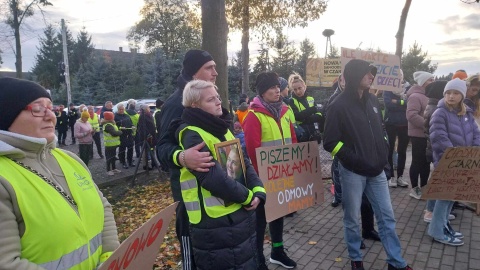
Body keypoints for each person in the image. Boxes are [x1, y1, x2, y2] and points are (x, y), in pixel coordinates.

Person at [0, 77, 120, 269]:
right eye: (38, 108)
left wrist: (112, 256)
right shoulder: (3, 178)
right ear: (7, 114)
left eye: (51, 107)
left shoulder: (69, 159)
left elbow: (103, 207)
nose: (51, 116)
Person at [323, 59, 412, 270]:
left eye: (372, 73)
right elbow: (329, 142)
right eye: (367, 73)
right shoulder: (338, 105)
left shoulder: (373, 100)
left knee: (387, 217)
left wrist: (383, 158)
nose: (372, 77)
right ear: (355, 76)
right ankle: (356, 258)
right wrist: (354, 159)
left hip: (377, 171)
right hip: (353, 172)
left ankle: (396, 262)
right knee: (352, 218)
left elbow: (379, 131)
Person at [176, 80, 265, 269]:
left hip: (237, 214)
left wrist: (258, 190)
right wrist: (248, 197)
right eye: (211, 99)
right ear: (195, 105)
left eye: (217, 97)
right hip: (213, 224)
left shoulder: (222, 128)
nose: (218, 102)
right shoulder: (191, 133)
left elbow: (243, 161)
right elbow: (213, 178)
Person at [157, 49, 218, 270]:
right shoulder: (176, 103)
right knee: (192, 249)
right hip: (188, 195)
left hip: (214, 191)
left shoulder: (210, 98)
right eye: (209, 68)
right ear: (194, 74)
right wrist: (183, 157)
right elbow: (161, 148)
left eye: (215, 66)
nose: (216, 72)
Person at [243, 71, 298, 270]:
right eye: (272, 88)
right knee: (260, 220)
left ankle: (277, 251)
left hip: (281, 176)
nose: (277, 91)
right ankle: (258, 257)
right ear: (262, 92)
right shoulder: (253, 116)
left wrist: (293, 166)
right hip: (263, 179)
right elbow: (252, 149)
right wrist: (262, 178)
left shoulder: (284, 112)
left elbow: (292, 140)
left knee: (278, 214)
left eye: (277, 87)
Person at [428, 78, 480, 246]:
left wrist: (474, 151)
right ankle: (437, 231)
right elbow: (438, 137)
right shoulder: (440, 113)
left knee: (451, 198)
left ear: (462, 95)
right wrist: (455, 158)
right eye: (448, 93)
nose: (451, 96)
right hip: (447, 163)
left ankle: (443, 225)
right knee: (445, 198)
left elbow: (476, 133)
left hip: (463, 163)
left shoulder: (467, 113)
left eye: (456, 93)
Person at [406, 71, 434, 199]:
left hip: (427, 135)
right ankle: (414, 188)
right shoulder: (415, 96)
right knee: (417, 162)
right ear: (423, 82)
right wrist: (428, 125)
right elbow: (411, 115)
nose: (432, 82)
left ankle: (424, 186)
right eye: (430, 80)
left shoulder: (428, 96)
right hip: (418, 135)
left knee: (426, 162)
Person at [383, 70, 410, 188]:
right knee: (389, 150)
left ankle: (400, 176)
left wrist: (398, 101)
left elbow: (409, 104)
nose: (398, 77)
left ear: (403, 76)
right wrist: (403, 103)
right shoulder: (387, 88)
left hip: (405, 124)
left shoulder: (408, 88)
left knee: (402, 151)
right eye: (395, 75)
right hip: (391, 123)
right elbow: (388, 104)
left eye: (400, 75)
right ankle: (391, 177)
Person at [287, 73, 324, 143]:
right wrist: (313, 110)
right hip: (301, 136)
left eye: (299, 88)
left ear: (305, 86)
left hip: (313, 134)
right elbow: (297, 116)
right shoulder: (291, 101)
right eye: (295, 89)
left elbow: (320, 115)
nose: (298, 91)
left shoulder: (311, 99)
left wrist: (306, 119)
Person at [115, 103, 136, 169]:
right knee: (122, 149)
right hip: (122, 135)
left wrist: (132, 126)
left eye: (123, 109)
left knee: (130, 148)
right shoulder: (115, 116)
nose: (121, 110)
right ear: (118, 109)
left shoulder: (127, 116)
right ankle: (123, 162)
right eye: (120, 109)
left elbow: (131, 123)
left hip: (129, 134)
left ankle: (130, 161)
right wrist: (119, 127)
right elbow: (114, 126)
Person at [103, 111, 123, 176]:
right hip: (109, 145)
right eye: (112, 116)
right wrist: (120, 132)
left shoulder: (111, 124)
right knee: (109, 158)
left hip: (113, 144)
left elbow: (114, 130)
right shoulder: (108, 125)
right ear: (110, 118)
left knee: (113, 157)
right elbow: (114, 133)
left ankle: (114, 169)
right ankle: (108, 170)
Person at [138, 104, 156, 170]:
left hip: (152, 137)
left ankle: (154, 163)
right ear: (145, 109)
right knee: (145, 151)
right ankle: (145, 165)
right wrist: (148, 135)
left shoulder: (150, 115)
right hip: (146, 137)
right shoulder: (142, 116)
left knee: (152, 149)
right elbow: (142, 128)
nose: (149, 108)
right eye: (148, 107)